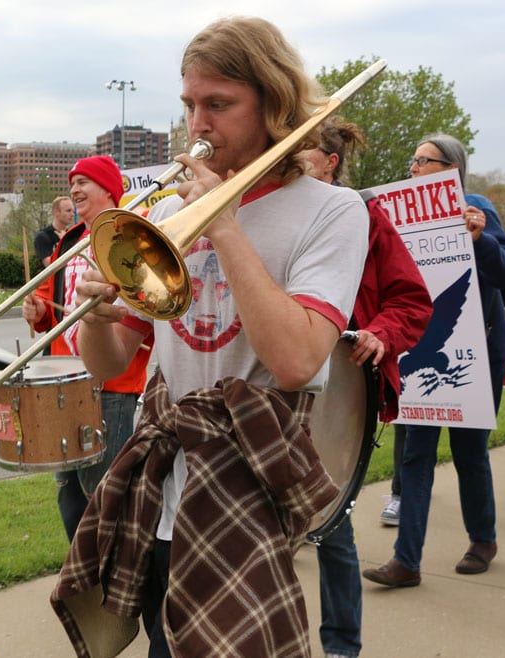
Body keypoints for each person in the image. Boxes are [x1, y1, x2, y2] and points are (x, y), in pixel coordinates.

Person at [50, 17, 370, 657]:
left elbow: (297, 361)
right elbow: (111, 359)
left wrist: (225, 225)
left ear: (272, 104)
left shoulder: (334, 211)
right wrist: (93, 315)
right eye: (190, 105)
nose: (197, 124)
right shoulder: (168, 211)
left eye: (218, 105)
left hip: (248, 483)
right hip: (165, 479)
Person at [363, 134, 505, 589]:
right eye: (410, 159)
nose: (412, 167)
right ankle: (406, 561)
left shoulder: (475, 206)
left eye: (422, 160)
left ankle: (483, 539)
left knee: (469, 451)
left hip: (474, 352)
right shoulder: (396, 212)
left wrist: (481, 239)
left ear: (450, 167)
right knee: (415, 454)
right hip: (418, 348)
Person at [301, 117, 433, 658]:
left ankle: (340, 647)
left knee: (331, 530)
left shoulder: (363, 216)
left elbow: (412, 302)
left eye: (304, 147)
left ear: (331, 160)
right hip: (262, 391)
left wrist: (380, 334)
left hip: (338, 393)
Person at [22, 156, 150, 541]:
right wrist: (40, 310)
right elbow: (52, 305)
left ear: (109, 188)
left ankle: (114, 578)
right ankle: (83, 579)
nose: (75, 189)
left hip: (111, 386)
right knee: (70, 493)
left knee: (106, 494)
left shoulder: (130, 234)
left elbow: (143, 309)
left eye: (84, 182)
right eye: (72, 182)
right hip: (65, 380)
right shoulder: (70, 240)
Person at [34, 196, 75, 267]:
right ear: (56, 212)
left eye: (73, 211)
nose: (72, 214)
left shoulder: (73, 234)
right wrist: (64, 243)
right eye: (68, 211)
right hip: (54, 277)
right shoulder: (43, 236)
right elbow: (50, 265)